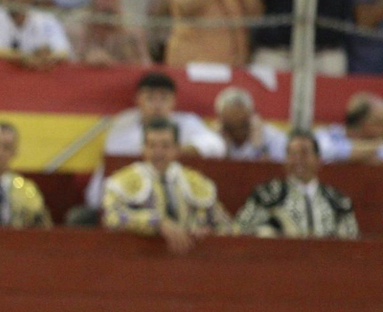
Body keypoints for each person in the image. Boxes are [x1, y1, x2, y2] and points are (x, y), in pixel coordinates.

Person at [103, 118, 232, 254]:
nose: (158, 152)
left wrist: (209, 232)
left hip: (189, 260)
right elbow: (111, 217)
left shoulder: (196, 182)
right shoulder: (123, 181)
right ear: (143, 148)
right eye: (152, 145)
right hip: (140, 258)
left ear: (177, 148)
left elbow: (226, 226)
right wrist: (156, 222)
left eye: (165, 146)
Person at [234, 129, 360, 237]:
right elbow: (241, 229)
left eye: (304, 153)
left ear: (318, 160)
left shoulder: (337, 200)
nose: (297, 160)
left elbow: (350, 239)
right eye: (292, 154)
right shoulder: (268, 194)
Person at [66, 0, 151, 64]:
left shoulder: (133, 29)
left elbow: (146, 66)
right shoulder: (76, 27)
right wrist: (85, 59)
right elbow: (68, 65)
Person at [211, 87, 288, 161]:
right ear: (221, 120)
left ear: (250, 116)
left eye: (241, 125)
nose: (237, 132)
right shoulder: (214, 138)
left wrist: (261, 153)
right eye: (231, 127)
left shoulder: (273, 139)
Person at [316, 92, 383, 162]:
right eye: (380, 123)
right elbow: (328, 151)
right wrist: (374, 147)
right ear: (362, 122)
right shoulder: (328, 135)